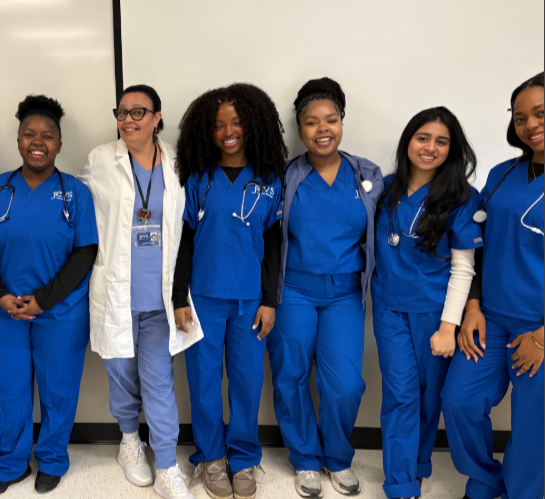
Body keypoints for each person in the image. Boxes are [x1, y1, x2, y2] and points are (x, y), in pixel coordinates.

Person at [0, 95, 98, 497]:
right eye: (29, 134)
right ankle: (8, 464)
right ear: (18, 140)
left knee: (59, 387)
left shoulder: (75, 193)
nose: (37, 142)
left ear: (59, 143)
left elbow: (85, 252)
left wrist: (45, 299)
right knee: (6, 389)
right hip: (2, 311)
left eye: (47, 136)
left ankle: (53, 458)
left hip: (61, 312)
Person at [79, 84, 202, 499]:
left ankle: (167, 463)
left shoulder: (178, 161)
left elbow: (186, 228)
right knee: (122, 377)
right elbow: (80, 215)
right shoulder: (100, 160)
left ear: (157, 117)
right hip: (115, 293)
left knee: (159, 381)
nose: (128, 119)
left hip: (160, 297)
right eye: (122, 112)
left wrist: (182, 294)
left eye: (138, 112)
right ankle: (129, 440)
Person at [267, 77, 383, 497]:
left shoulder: (366, 175)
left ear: (342, 122)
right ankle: (305, 458)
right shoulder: (286, 177)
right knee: (290, 374)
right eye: (312, 122)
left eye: (330, 119)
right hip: (294, 289)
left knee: (346, 383)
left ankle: (337, 456)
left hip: (345, 294)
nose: (322, 129)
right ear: (299, 130)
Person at [173, 82, 286, 499]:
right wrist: (178, 296)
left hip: (250, 301)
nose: (228, 131)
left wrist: (270, 300)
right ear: (207, 130)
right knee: (203, 381)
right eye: (219, 125)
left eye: (237, 122)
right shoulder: (197, 179)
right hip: (202, 297)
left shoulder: (271, 180)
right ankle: (210, 456)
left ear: (253, 125)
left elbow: (274, 244)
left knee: (246, 381)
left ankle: (242, 456)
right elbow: (183, 240)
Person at [441, 72, 544, 499]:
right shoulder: (503, 174)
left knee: (533, 426)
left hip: (537, 327)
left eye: (540, 113)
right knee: (460, 400)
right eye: (520, 117)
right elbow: (481, 245)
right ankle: (485, 480)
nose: (530, 125)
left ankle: (523, 492)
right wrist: (474, 306)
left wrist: (541, 336)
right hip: (491, 317)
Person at [372, 107, 482, 499]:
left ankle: (417, 465)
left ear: (452, 149)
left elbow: (464, 267)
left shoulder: (461, 198)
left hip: (436, 313)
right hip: (388, 309)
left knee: (429, 397)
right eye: (422, 137)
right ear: (407, 141)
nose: (430, 147)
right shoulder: (383, 189)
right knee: (401, 394)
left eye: (441, 141)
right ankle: (401, 485)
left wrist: (448, 327)